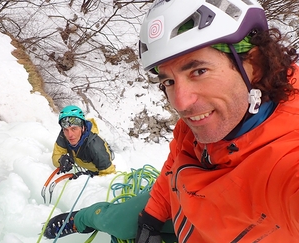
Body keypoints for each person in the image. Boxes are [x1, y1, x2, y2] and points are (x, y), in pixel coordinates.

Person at [44, 0, 299, 242]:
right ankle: (81, 219)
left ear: (254, 64)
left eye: (199, 71)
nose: (180, 102)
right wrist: (152, 216)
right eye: (168, 81)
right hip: (178, 206)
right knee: (119, 221)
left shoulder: (284, 158)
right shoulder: (205, 120)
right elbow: (175, 165)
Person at [52, 105, 116, 175]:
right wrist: (60, 160)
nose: (70, 135)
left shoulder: (96, 148)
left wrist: (92, 176)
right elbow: (56, 155)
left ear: (83, 127)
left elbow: (108, 176)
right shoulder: (63, 135)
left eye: (74, 129)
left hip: (97, 167)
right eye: (66, 130)